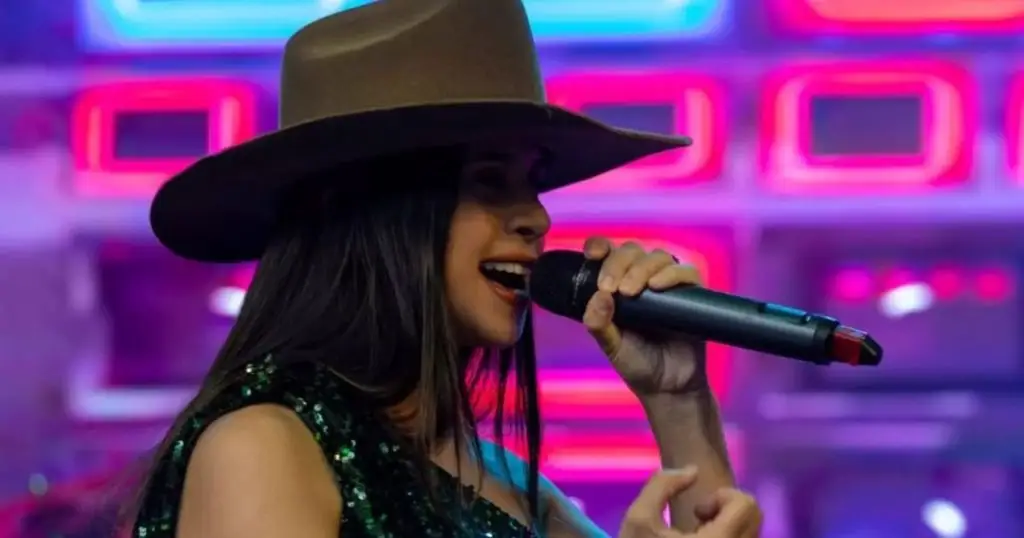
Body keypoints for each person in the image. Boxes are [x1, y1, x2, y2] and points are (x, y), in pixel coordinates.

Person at [130, 0, 762, 536]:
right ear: (376, 210)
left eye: (532, 181)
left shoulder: (506, 484)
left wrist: (678, 402)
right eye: (489, 180)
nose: (536, 217)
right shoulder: (261, 448)